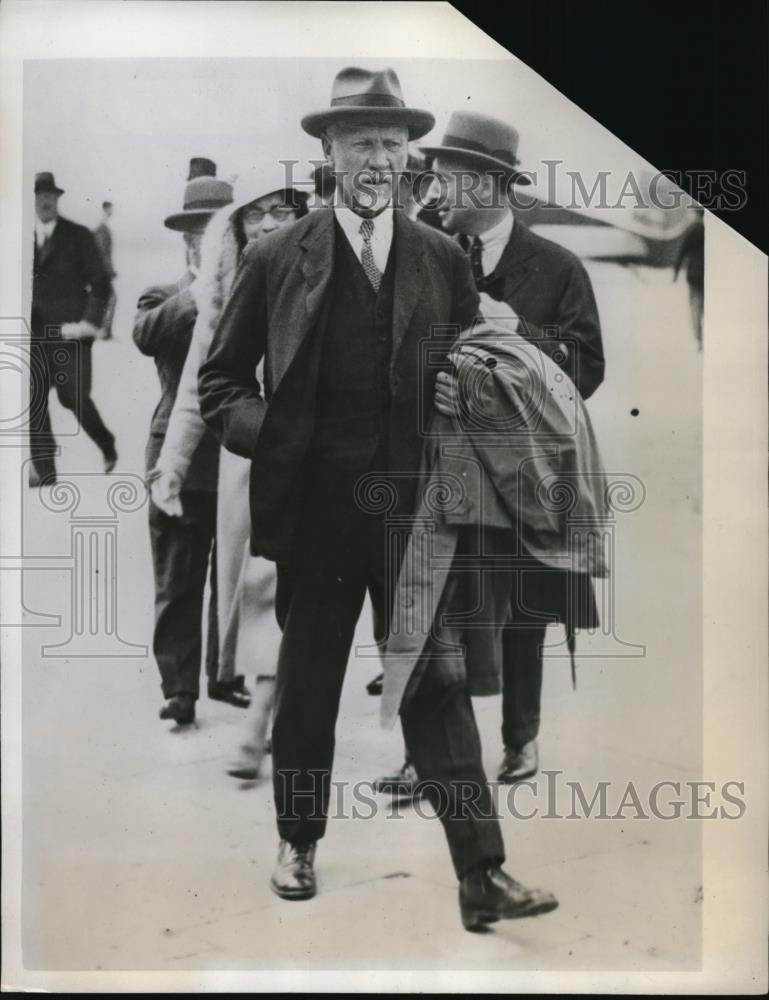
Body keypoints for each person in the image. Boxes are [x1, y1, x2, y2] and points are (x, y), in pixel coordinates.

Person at [199, 66, 557, 929]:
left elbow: (477, 370)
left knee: (435, 687)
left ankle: (482, 874)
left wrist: (465, 396)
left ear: (408, 160)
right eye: (362, 143)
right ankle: (299, 842)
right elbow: (219, 385)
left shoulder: (440, 256)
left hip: (412, 512)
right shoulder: (275, 255)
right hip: (316, 517)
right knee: (312, 682)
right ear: (327, 150)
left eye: (393, 146)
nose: (378, 160)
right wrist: (281, 437)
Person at [376, 110, 605, 796]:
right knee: (435, 603)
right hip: (440, 465)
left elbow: (586, 366)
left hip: (525, 466)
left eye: (446, 177)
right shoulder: (419, 253)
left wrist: (510, 347)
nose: (436, 190)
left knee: (525, 607)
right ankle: (428, 757)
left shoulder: (556, 268)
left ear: (488, 184)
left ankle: (520, 738)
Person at [151, 164, 310, 776]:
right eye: (255, 212)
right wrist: (171, 465)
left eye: (283, 209)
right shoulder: (226, 289)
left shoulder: (329, 273)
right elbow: (198, 385)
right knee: (263, 585)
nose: (269, 222)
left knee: (319, 597)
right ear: (237, 227)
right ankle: (257, 721)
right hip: (256, 463)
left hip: (333, 460)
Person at [132, 161, 234, 726]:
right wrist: (202, 290)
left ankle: (227, 677)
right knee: (178, 577)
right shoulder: (164, 294)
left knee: (236, 577)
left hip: (238, 457)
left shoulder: (254, 290)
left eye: (216, 230)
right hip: (178, 457)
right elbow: (146, 335)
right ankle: (179, 688)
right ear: (188, 242)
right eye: (198, 234)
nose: (207, 241)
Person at [30, 171, 117, 486]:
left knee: (73, 398)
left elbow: (102, 284)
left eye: (50, 196)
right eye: (40, 196)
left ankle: (107, 443)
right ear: (33, 201)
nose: (45, 201)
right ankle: (45, 470)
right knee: (32, 398)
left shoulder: (78, 236)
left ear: (57, 199)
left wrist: (89, 324)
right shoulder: (19, 239)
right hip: (35, 338)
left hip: (71, 335)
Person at [92, 201, 116, 340]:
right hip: (103, 272)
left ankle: (103, 330)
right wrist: (109, 271)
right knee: (111, 299)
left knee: (105, 299)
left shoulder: (102, 227)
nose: (112, 211)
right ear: (106, 209)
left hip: (103, 271)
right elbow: (102, 253)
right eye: (111, 208)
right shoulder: (102, 228)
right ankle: (105, 331)